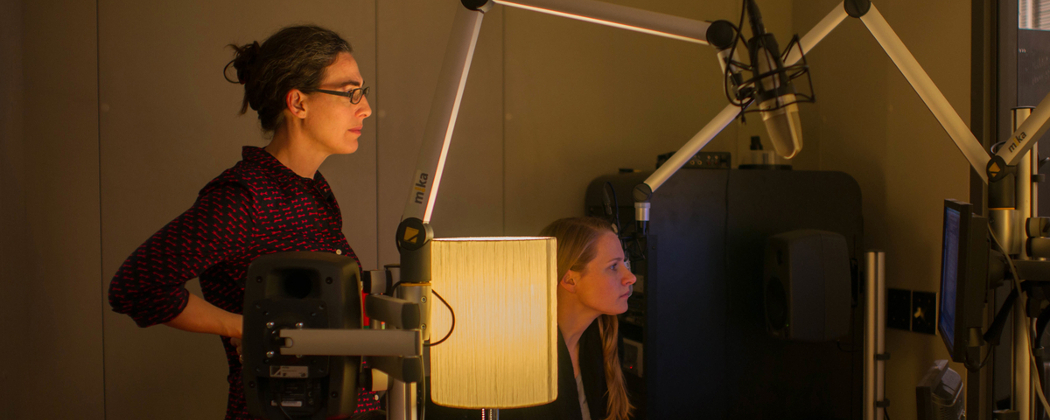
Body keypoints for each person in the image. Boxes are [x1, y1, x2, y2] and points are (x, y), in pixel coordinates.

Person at [108, 25, 378, 419]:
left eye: (363, 92)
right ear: (298, 103)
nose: (365, 107)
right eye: (350, 92)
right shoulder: (245, 197)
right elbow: (134, 286)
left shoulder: (313, 191)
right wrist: (244, 328)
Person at [502, 217, 637, 420]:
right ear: (570, 280)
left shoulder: (604, 337)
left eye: (624, 263)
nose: (631, 277)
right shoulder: (517, 360)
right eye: (613, 267)